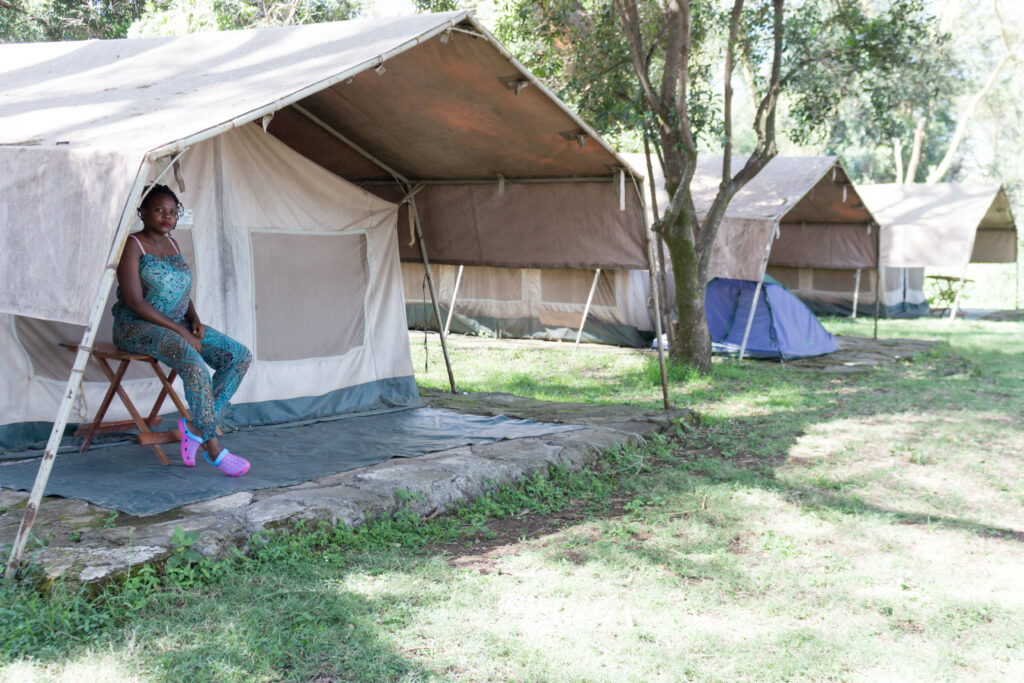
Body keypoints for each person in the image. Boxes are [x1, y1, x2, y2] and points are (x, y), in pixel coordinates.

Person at [113, 184, 252, 476]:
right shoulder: (133, 245)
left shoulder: (172, 244)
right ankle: (213, 449)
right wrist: (181, 331)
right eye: (160, 210)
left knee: (238, 356)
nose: (167, 217)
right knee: (191, 359)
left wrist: (194, 317)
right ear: (143, 213)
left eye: (173, 212)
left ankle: (193, 426)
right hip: (137, 327)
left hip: (178, 323)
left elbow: (181, 288)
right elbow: (135, 301)